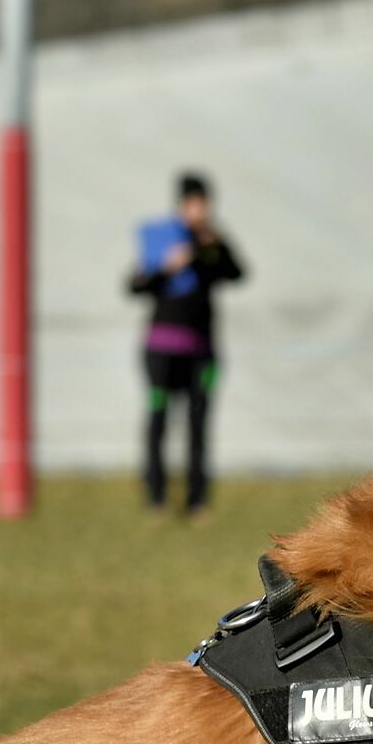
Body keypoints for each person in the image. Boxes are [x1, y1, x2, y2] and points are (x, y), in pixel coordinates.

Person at [128, 171, 245, 518]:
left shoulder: (210, 245)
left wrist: (214, 244)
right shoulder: (164, 241)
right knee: (158, 417)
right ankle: (157, 497)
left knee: (199, 423)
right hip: (162, 350)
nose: (199, 210)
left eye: (204, 204)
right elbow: (136, 286)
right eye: (193, 203)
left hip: (202, 352)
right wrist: (167, 267)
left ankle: (198, 501)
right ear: (182, 205)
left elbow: (237, 273)